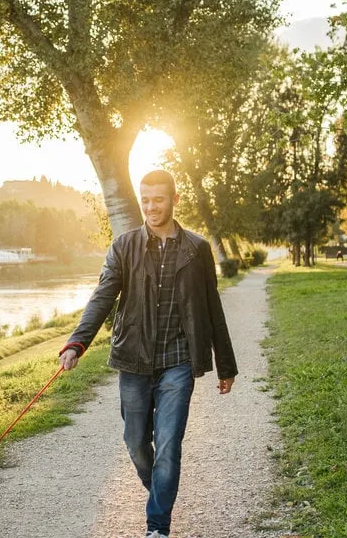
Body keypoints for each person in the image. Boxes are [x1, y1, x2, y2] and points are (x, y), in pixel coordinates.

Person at [58, 170, 238, 538]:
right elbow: (102, 298)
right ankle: (160, 487)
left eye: (158, 199)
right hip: (134, 360)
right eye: (146, 200)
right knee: (137, 444)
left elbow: (212, 308)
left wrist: (225, 365)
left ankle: (158, 527)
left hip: (179, 362)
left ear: (174, 199)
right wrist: (77, 342)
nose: (151, 207)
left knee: (169, 446)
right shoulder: (124, 247)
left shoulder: (197, 249)